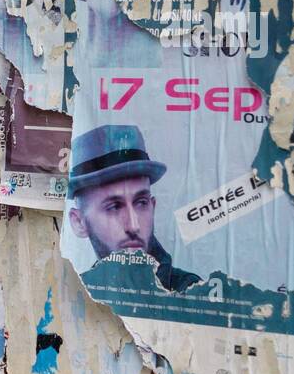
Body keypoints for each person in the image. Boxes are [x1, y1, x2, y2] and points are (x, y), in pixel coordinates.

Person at [67, 124, 201, 293]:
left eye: (141, 203)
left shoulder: (191, 290)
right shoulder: (77, 295)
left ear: (152, 208)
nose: (133, 226)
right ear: (79, 222)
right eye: (114, 207)